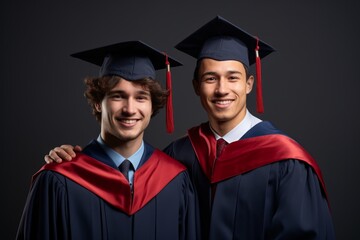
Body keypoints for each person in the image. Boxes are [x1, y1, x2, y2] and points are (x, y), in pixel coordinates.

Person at [44, 16, 335, 239]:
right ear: (196, 86)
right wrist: (73, 160)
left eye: (232, 78)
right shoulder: (180, 157)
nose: (222, 89)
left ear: (249, 83)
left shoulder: (287, 162)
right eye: (210, 78)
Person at [16, 40, 198, 240]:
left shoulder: (174, 180)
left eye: (140, 97)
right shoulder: (59, 180)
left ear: (152, 106)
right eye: (118, 96)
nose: (130, 109)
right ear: (97, 103)